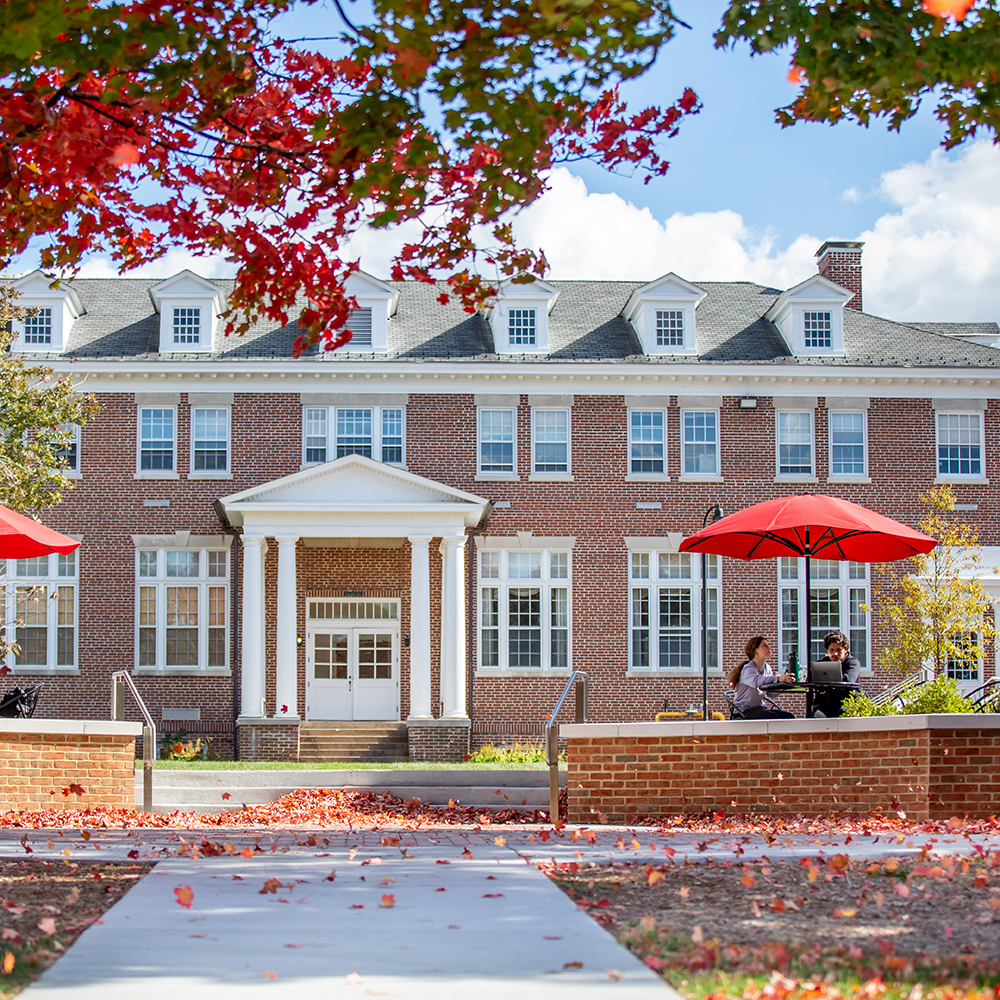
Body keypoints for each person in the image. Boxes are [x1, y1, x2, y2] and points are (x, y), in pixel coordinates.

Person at [727, 637, 796, 719]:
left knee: (788, 716)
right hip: (743, 712)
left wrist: (784, 684)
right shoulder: (748, 669)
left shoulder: (768, 668)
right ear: (755, 651)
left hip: (759, 709)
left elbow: (771, 693)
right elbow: (756, 681)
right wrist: (778, 678)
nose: (769, 648)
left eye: (768, 645)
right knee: (773, 717)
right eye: (764, 645)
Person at [811, 630, 862, 718]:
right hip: (826, 705)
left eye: (839, 650)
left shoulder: (853, 663)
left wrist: (826, 684)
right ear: (827, 650)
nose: (835, 654)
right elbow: (812, 680)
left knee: (843, 712)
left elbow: (848, 681)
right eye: (832, 650)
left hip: (846, 703)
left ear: (845, 650)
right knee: (813, 712)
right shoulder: (822, 664)